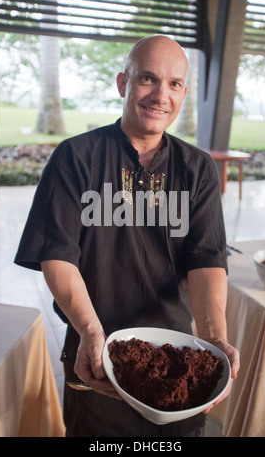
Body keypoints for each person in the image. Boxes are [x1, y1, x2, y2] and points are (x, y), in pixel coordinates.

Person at [14, 35, 240, 437]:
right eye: (147, 79)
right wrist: (89, 331)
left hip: (176, 356)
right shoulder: (75, 157)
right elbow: (57, 256)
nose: (160, 95)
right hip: (96, 352)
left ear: (184, 93)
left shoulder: (198, 169)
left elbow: (207, 261)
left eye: (173, 84)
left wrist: (213, 338)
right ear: (123, 83)